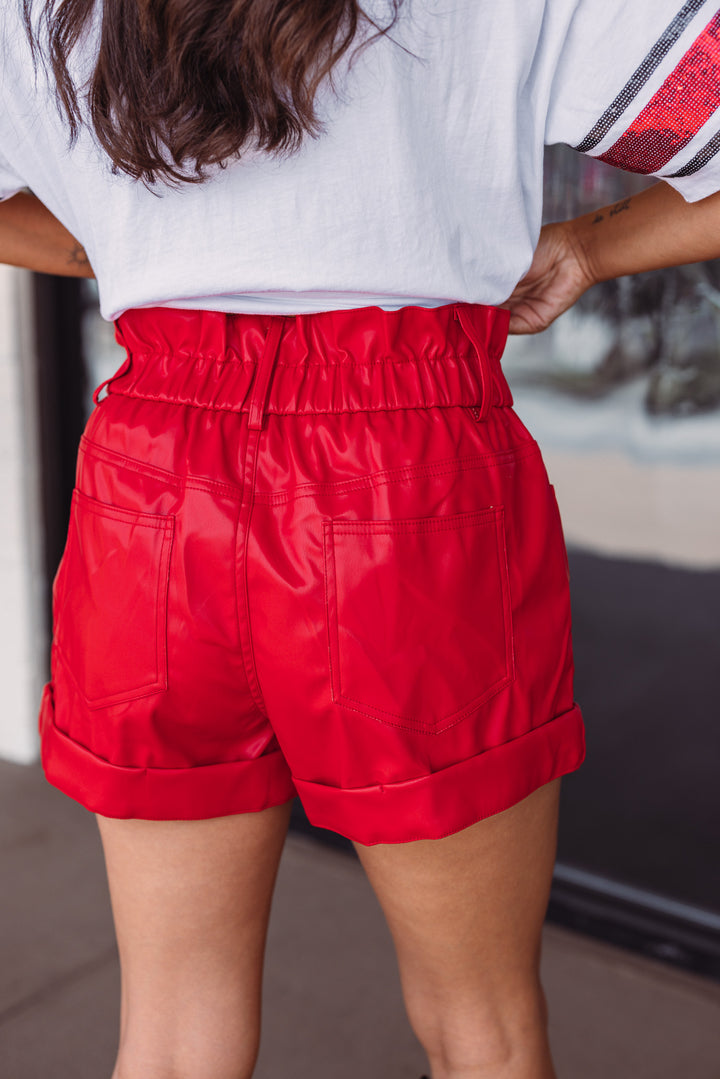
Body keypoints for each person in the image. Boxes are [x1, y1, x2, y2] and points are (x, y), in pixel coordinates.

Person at [2, 2, 720, 1077]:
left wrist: (128, 245)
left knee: (170, 1033)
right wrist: (586, 246)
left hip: (154, 486)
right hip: (410, 474)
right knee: (483, 1027)